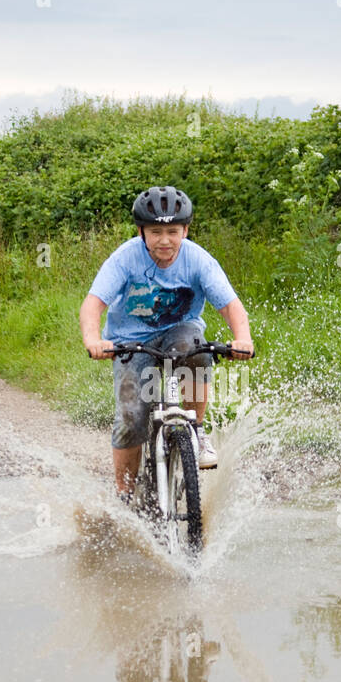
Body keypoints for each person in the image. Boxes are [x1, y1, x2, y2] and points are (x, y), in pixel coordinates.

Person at [80, 185, 253, 502]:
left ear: (185, 230)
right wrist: (94, 340)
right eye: (155, 232)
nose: (164, 241)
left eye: (173, 231)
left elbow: (231, 306)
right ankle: (125, 496)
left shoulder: (198, 260)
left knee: (197, 349)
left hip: (179, 333)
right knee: (132, 418)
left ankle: (196, 429)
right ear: (141, 231)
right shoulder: (124, 259)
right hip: (130, 342)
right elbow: (93, 304)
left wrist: (243, 338)